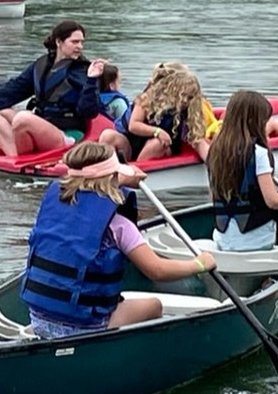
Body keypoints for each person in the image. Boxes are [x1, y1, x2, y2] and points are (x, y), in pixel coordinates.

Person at [19, 142, 218, 338]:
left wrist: (121, 178)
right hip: (86, 327)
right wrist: (200, 264)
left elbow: (92, 181)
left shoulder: (54, 205)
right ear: (112, 177)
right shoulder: (118, 224)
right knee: (154, 306)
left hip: (39, 320)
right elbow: (156, 270)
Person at [0, 19, 126, 157]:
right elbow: (10, 90)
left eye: (82, 42)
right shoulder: (41, 66)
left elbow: (89, 111)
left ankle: (22, 156)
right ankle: (16, 158)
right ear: (59, 42)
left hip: (68, 135)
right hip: (44, 126)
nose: (80, 47)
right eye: (75, 42)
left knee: (23, 118)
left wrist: (91, 80)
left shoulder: (82, 70)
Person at [206, 89, 278, 252]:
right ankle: (271, 274)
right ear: (254, 121)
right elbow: (272, 200)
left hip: (221, 240)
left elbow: (213, 195)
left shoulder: (215, 150)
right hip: (256, 243)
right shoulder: (258, 153)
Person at [124, 62, 212, 163]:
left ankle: (137, 172)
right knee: (108, 135)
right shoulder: (147, 98)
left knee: (157, 144)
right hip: (135, 142)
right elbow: (133, 125)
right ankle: (114, 172)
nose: (185, 101)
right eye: (182, 95)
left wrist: (212, 162)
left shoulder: (188, 108)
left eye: (190, 98)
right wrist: (157, 132)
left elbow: (197, 140)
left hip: (163, 146)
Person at [95, 64, 133, 134]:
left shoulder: (92, 98)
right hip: (112, 134)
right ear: (112, 85)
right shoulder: (118, 102)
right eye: (119, 82)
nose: (120, 84)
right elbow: (125, 123)